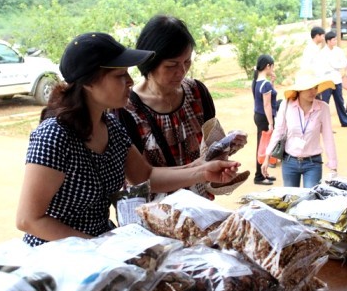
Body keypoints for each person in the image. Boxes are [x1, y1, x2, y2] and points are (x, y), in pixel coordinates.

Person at [16, 32, 240, 247]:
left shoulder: (110, 126)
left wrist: (202, 172)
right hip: (55, 257)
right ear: (89, 82)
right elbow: (28, 220)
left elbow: (146, 175)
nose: (130, 81)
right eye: (119, 75)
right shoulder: (54, 135)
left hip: (103, 249)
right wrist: (96, 246)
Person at [118, 15, 247, 200]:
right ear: (149, 63)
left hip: (200, 209)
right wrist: (200, 170)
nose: (181, 71)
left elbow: (209, 150)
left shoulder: (197, 92)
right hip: (154, 216)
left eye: (187, 62)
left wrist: (227, 146)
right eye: (171, 65)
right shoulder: (126, 111)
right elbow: (139, 178)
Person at [261, 70, 338, 188]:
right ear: (299, 90)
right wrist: (267, 157)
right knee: (291, 201)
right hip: (289, 161)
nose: (313, 92)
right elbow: (279, 131)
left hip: (313, 163)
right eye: (309, 88)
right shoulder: (286, 105)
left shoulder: (323, 108)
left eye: (315, 87)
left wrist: (333, 165)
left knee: (310, 200)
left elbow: (328, 137)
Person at [319, 31, 347, 128]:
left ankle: (345, 122)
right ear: (328, 41)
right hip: (326, 81)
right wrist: (336, 65)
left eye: (336, 39)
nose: (335, 41)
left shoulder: (338, 50)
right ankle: (323, 125)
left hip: (337, 79)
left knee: (340, 101)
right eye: (333, 40)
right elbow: (327, 66)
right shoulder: (323, 53)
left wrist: (335, 66)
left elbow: (343, 63)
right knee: (325, 103)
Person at [252, 54, 278, 185]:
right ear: (268, 66)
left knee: (262, 146)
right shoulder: (265, 84)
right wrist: (271, 123)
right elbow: (267, 105)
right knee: (263, 147)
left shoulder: (258, 81)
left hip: (258, 115)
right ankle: (259, 176)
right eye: (272, 66)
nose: (273, 69)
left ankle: (262, 174)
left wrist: (272, 81)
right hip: (264, 117)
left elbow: (270, 98)